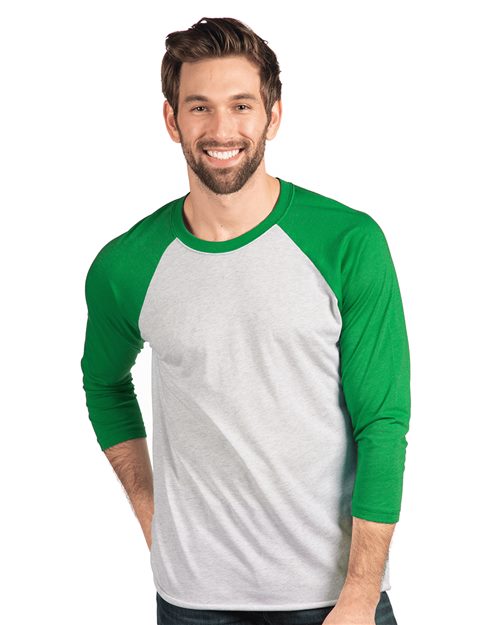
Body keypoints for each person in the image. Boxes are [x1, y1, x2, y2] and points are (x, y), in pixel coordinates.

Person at [80, 16, 410, 625]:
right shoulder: (125, 265)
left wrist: (361, 595)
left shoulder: (348, 242)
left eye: (241, 105)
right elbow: (104, 386)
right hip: (192, 602)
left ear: (272, 116)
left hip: (331, 599)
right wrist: (154, 519)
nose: (221, 129)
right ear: (172, 120)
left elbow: (382, 424)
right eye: (199, 107)